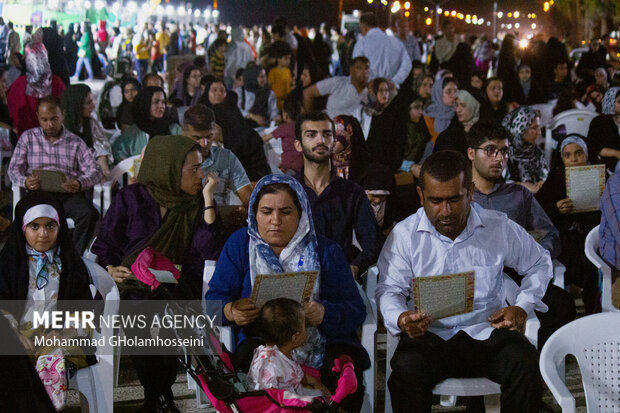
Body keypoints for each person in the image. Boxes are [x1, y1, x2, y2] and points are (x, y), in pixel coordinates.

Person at [377, 150, 551, 413]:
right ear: (421, 195)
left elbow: (540, 263)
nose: (445, 211)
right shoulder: (405, 235)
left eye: (455, 199)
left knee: (524, 362)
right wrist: (401, 318)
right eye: (435, 201)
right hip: (430, 337)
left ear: (470, 192)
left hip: (487, 333)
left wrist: (523, 306)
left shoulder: (497, 227)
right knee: (406, 369)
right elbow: (389, 288)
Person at [206, 174, 369, 411]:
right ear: (254, 213)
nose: (275, 221)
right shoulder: (241, 244)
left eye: (285, 212)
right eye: (266, 211)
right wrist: (230, 311)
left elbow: (356, 311)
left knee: (341, 382)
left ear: (301, 213)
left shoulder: (325, 251)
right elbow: (211, 302)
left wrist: (324, 313)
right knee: (255, 382)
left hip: (321, 345)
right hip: (261, 346)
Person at [92, 135, 220, 411]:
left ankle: (158, 398)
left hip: (178, 284)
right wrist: (111, 269)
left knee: (169, 318)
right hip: (133, 285)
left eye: (201, 167)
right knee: (140, 316)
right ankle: (158, 397)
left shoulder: (195, 203)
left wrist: (208, 198)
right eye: (194, 169)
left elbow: (208, 248)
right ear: (170, 168)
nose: (202, 175)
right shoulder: (130, 198)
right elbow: (105, 245)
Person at [467, 123, 575, 347]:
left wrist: (533, 255)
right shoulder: (458, 196)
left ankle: (533, 355)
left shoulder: (518, 194)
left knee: (564, 305)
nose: (499, 158)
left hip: (513, 273)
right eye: (490, 150)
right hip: (471, 276)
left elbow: (550, 235)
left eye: (504, 151)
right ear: (471, 153)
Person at [0, 192, 95, 410]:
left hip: (56, 339)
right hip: (16, 336)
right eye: (35, 226)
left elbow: (87, 313)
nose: (43, 234)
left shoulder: (70, 265)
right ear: (23, 228)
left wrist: (63, 334)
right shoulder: (10, 263)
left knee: (52, 362)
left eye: (50, 226)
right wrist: (13, 335)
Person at [294, 111, 383, 279]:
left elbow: (374, 244)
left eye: (327, 134)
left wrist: (355, 268)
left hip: (339, 277)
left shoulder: (351, 192)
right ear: (298, 145)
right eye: (311, 135)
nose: (320, 140)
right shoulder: (289, 190)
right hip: (297, 277)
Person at [8, 96, 101, 255]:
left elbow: (95, 171)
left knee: (89, 214)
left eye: (54, 119)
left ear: (62, 115)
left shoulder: (75, 142)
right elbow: (13, 170)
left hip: (67, 195)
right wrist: (26, 181)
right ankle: (27, 258)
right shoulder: (28, 138)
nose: (50, 124)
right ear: (38, 117)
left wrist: (79, 183)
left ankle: (73, 256)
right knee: (22, 214)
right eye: (44, 120)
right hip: (38, 194)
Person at [536, 136, 602, 313]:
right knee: (587, 262)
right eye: (567, 155)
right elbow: (536, 212)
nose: (573, 159)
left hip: (593, 237)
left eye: (578, 153)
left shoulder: (601, 179)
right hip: (565, 242)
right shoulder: (555, 181)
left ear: (587, 155)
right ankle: (592, 309)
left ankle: (597, 310)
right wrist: (555, 209)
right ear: (562, 159)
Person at [247, 298, 330, 397]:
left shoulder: (285, 353)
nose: (307, 330)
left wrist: (315, 383)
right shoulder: (270, 367)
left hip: (292, 394)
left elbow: (297, 374)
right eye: (304, 326)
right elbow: (269, 400)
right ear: (295, 338)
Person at [181, 104, 252, 207]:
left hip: (221, 216)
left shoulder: (226, 158)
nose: (204, 144)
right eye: (197, 138)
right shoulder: (174, 159)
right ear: (183, 131)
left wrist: (245, 208)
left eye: (209, 136)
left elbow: (247, 195)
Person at [202, 77, 271, 181]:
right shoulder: (202, 114)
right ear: (207, 94)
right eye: (214, 90)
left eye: (222, 90)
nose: (219, 93)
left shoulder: (232, 110)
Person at [6, 42, 66, 137]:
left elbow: (10, 108)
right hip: (52, 138)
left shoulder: (18, 84)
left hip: (26, 139)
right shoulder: (56, 82)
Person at [112, 86, 182, 162]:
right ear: (145, 103)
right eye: (156, 102)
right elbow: (119, 155)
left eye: (163, 102)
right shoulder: (132, 135)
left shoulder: (174, 129)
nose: (161, 106)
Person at [61, 83, 113, 178]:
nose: (93, 106)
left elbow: (101, 144)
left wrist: (102, 158)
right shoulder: (61, 127)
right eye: (88, 103)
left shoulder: (90, 123)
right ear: (76, 105)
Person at [352, 12, 411, 88]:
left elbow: (357, 67)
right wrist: (395, 80)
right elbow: (407, 64)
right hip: (390, 89)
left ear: (364, 27)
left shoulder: (361, 44)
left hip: (369, 88)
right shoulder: (396, 42)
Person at [303, 56, 369, 122]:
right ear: (351, 70)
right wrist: (310, 121)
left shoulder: (371, 91)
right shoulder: (338, 82)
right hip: (330, 127)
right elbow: (308, 93)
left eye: (366, 68)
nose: (364, 72)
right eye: (359, 68)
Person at [503, 106, 548, 191]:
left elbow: (545, 175)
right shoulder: (504, 154)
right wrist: (522, 186)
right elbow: (500, 187)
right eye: (534, 128)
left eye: (539, 127)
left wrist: (543, 182)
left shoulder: (536, 152)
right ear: (520, 129)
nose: (539, 133)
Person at [433, 89, 480, 157]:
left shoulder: (484, 131)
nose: (458, 110)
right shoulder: (449, 134)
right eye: (457, 105)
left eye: (463, 105)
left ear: (473, 106)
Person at [587, 87, 620, 173]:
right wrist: (617, 153)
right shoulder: (599, 122)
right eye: (619, 102)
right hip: (607, 164)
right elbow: (594, 148)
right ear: (610, 102)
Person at [423, 76, 457, 145]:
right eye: (449, 91)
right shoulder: (427, 115)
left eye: (456, 91)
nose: (454, 95)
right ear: (438, 93)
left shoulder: (458, 115)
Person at [268, 45, 293, 111]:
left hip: (286, 101)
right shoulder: (273, 71)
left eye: (289, 58)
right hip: (276, 102)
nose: (288, 61)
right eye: (286, 58)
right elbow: (269, 86)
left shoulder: (288, 71)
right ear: (279, 59)